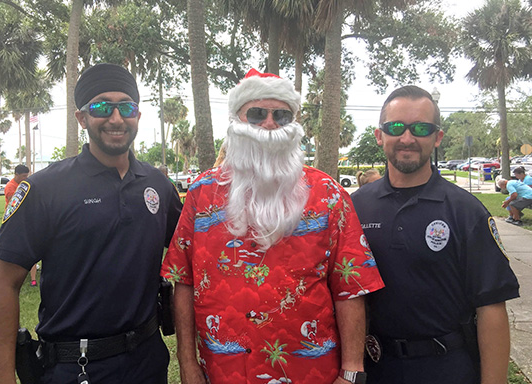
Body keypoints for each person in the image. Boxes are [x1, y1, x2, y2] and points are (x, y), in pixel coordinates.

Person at [162, 69, 384, 384]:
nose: (269, 124)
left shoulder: (328, 193)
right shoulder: (202, 192)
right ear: (237, 121)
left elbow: (351, 286)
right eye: (256, 114)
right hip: (224, 374)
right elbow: (183, 281)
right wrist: (188, 364)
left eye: (281, 115)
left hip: (313, 374)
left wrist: (351, 371)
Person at [0, 63, 182, 384]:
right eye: (102, 107)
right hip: (74, 368)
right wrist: (2, 378)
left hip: (148, 362)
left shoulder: (157, 185)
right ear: (82, 117)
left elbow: (196, 250)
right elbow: (5, 284)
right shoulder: (45, 189)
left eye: (126, 107)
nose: (116, 118)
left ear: (138, 116)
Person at [351, 85, 520, 384]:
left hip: (446, 368)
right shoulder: (355, 207)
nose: (407, 138)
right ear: (380, 136)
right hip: (374, 369)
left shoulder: (466, 211)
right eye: (395, 127)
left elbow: (491, 305)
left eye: (420, 128)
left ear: (437, 137)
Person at [3, 165, 37, 286]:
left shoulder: (25, 185)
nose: (25, 178)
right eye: (23, 176)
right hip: (13, 222)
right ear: (16, 174)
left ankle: (33, 279)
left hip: (27, 221)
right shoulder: (10, 187)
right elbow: (14, 203)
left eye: (27, 176)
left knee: (32, 247)